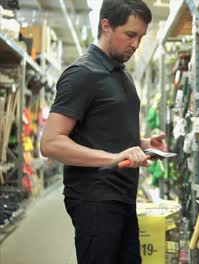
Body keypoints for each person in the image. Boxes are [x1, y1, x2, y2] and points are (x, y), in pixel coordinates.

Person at [40, 1, 164, 263]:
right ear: (106, 25)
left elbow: (105, 130)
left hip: (122, 196)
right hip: (95, 200)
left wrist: (142, 143)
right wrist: (113, 158)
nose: (135, 44)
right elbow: (50, 143)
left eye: (140, 37)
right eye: (130, 35)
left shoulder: (121, 73)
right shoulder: (82, 74)